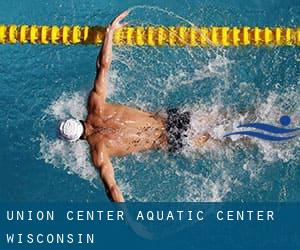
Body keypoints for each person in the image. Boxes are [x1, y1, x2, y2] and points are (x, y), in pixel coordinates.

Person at [58, 11, 210, 202]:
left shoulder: (99, 152)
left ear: (76, 140)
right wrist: (109, 33)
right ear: (76, 119)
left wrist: (128, 221)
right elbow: (103, 66)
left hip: (171, 140)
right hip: (172, 118)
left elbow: (112, 189)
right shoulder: (95, 105)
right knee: (226, 118)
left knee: (228, 141)